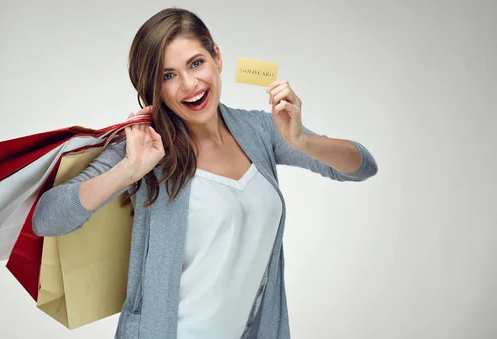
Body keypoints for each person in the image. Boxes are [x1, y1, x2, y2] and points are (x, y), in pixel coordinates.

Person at [32, 7, 378, 339]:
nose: (189, 85)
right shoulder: (146, 147)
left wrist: (302, 141)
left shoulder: (260, 130)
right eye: (169, 76)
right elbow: (47, 219)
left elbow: (361, 166)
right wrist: (128, 171)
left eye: (196, 63)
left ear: (217, 58)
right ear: (155, 88)